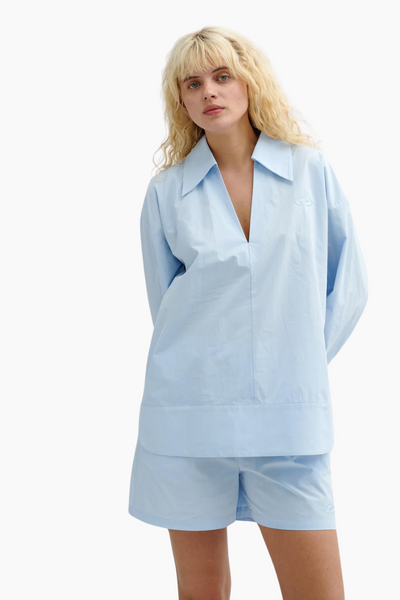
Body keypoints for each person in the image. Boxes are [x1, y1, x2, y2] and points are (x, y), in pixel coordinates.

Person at [128, 26, 368, 600]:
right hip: (188, 415)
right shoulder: (166, 192)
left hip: (290, 422)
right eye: (193, 83)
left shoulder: (309, 170)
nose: (209, 91)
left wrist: (294, 362)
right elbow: (166, 306)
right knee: (201, 593)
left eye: (222, 76)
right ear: (181, 100)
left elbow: (349, 287)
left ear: (249, 82)